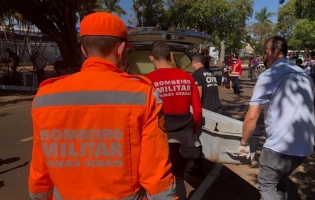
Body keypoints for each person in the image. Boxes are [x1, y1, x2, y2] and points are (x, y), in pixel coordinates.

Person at [28, 12, 177, 200]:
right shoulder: (142, 95)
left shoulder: (45, 97)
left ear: (83, 49)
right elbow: (156, 173)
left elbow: (39, 176)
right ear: (121, 49)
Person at [237, 36, 315, 200]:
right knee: (281, 181)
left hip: (279, 146)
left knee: (267, 186)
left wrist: (244, 144)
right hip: (304, 146)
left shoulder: (269, 75)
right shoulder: (305, 76)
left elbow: (252, 117)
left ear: (267, 53)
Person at [145, 40, 202, 200]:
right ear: (171, 56)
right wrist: (192, 132)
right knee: (179, 178)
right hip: (183, 139)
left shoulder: (147, 81)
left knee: (158, 181)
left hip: (159, 140)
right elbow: (197, 111)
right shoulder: (187, 78)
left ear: (151, 58)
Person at [187, 53, 222, 177]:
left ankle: (198, 168)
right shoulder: (209, 73)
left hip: (206, 111)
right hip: (216, 109)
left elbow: (199, 95)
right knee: (212, 139)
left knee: (197, 139)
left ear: (193, 62)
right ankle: (212, 160)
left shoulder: (197, 75)